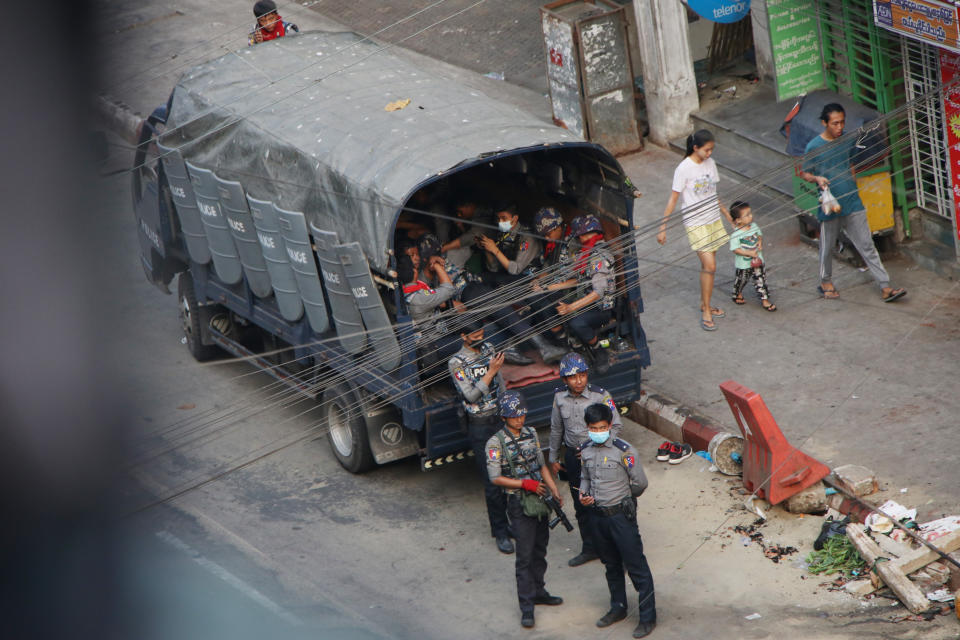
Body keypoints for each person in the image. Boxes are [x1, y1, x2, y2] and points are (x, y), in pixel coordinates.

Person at [800, 103, 907, 303]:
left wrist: (853, 184)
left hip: (852, 201)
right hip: (829, 205)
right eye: (834, 123)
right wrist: (817, 179)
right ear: (824, 123)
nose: (839, 127)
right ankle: (825, 282)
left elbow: (850, 164)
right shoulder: (813, 146)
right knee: (827, 246)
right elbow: (805, 172)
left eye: (842, 122)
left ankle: (885, 287)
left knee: (867, 244)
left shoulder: (848, 140)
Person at [419, 234, 564, 364]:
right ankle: (544, 347)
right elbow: (443, 294)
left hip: (478, 280)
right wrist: (449, 298)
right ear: (426, 260)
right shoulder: (424, 279)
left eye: (439, 253)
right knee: (504, 311)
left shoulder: (445, 259)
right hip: (467, 291)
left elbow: (467, 242)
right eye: (435, 255)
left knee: (519, 284)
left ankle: (519, 345)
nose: (439, 256)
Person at [487, 391, 564, 628]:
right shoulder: (495, 443)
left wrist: (554, 489)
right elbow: (495, 478)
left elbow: (540, 465)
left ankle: (539, 591)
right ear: (504, 417)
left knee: (540, 548)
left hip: (540, 498)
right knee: (525, 556)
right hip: (519, 502)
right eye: (514, 416)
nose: (519, 419)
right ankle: (527, 606)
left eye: (521, 414)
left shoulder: (531, 433)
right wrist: (524, 484)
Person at [579, 403, 656, 638]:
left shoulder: (625, 451)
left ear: (610, 426)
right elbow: (585, 476)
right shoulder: (585, 450)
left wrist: (626, 499)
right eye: (594, 427)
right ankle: (618, 608)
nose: (598, 431)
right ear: (588, 428)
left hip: (621, 517)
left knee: (636, 567)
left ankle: (647, 618)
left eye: (602, 427)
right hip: (598, 517)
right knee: (611, 565)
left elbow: (640, 483)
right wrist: (583, 494)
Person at [548, 352, 622, 567]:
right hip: (573, 458)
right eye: (573, 377)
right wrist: (553, 456)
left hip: (600, 457)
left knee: (604, 502)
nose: (579, 381)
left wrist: (598, 447)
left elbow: (616, 426)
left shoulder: (601, 396)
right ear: (564, 380)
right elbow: (556, 428)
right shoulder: (559, 398)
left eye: (582, 375)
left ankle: (612, 548)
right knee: (581, 505)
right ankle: (589, 548)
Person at [656, 129, 733, 332]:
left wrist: (727, 215)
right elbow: (673, 198)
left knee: (708, 267)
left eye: (711, 150)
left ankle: (704, 302)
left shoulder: (711, 164)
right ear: (695, 148)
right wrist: (662, 227)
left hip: (713, 219)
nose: (709, 154)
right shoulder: (684, 169)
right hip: (695, 222)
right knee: (710, 265)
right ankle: (706, 309)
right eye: (706, 150)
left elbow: (713, 194)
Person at [448, 321, 513, 554]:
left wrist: (506, 409)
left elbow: (501, 383)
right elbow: (471, 396)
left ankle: (509, 523)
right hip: (480, 427)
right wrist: (491, 371)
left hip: (499, 420)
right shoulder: (456, 363)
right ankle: (500, 532)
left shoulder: (488, 349)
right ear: (464, 336)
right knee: (493, 481)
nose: (480, 337)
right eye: (475, 334)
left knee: (510, 474)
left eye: (482, 332)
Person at [547, 215, 616, 372]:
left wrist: (571, 307)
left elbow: (598, 292)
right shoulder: (586, 253)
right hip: (584, 300)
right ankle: (569, 346)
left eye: (579, 236)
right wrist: (550, 288)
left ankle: (599, 350)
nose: (579, 239)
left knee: (577, 322)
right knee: (551, 304)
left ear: (585, 235)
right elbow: (579, 279)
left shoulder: (599, 255)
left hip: (600, 308)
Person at [398, 254, 460, 362]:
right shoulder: (419, 298)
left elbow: (440, 302)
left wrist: (430, 264)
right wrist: (436, 266)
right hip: (434, 342)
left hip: (422, 340)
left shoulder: (403, 292)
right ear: (414, 272)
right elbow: (449, 289)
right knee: (465, 339)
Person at [478, 204, 541, 287]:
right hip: (509, 272)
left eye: (504, 218)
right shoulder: (503, 234)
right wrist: (486, 249)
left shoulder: (526, 238)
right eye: (498, 218)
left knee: (498, 282)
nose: (500, 222)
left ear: (514, 218)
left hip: (528, 277)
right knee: (481, 277)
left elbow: (516, 269)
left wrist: (495, 250)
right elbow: (495, 267)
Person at [728, 201, 776, 311]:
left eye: (750, 213)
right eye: (747, 215)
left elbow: (759, 235)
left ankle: (765, 300)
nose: (751, 216)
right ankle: (737, 293)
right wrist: (748, 253)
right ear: (738, 220)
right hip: (744, 264)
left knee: (760, 280)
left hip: (757, 260)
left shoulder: (754, 226)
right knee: (742, 280)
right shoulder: (736, 235)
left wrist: (759, 242)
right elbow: (735, 249)